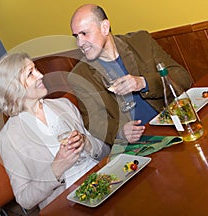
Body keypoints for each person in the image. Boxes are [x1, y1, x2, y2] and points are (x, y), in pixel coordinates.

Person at [0, 53, 110, 210]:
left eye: (36, 69)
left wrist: (86, 142)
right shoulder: (8, 138)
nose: (41, 75)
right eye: (30, 73)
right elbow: (25, 200)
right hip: (69, 202)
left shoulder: (64, 105)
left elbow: (105, 152)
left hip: (102, 178)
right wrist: (56, 169)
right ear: (14, 87)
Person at [68, 4, 192, 145]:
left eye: (84, 33)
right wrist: (120, 132)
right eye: (76, 36)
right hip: (139, 146)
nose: (80, 43)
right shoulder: (79, 75)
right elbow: (94, 123)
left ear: (104, 27)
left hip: (175, 125)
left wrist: (143, 83)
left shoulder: (141, 42)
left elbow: (183, 78)